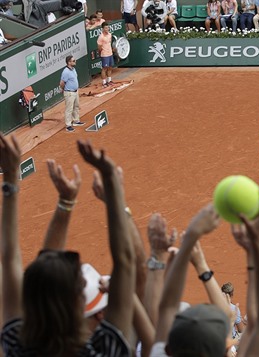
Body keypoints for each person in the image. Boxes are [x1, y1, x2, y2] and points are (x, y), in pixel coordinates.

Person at [0, 137, 136, 356]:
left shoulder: (17, 345)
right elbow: (126, 261)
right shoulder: (106, 349)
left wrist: (11, 178)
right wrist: (111, 182)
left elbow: (10, 260)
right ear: (77, 304)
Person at [59, 56, 85, 133]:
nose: (75, 61)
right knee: (69, 109)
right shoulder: (65, 72)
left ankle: (76, 121)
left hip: (75, 91)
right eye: (73, 61)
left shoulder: (73, 69)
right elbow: (62, 83)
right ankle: (68, 125)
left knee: (76, 106)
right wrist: (64, 90)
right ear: (69, 62)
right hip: (69, 93)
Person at [97, 22, 114, 88]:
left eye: (108, 28)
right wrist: (103, 52)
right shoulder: (101, 37)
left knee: (110, 67)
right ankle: (104, 82)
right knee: (104, 68)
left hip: (110, 54)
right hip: (104, 55)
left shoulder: (110, 35)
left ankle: (109, 80)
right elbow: (99, 47)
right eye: (106, 28)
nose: (107, 29)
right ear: (103, 29)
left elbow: (110, 43)